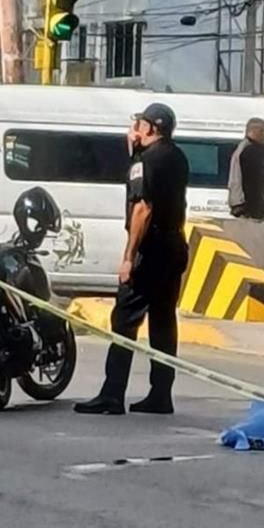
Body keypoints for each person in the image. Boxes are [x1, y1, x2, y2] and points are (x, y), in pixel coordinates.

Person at [75, 103, 191, 415]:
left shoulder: (145, 161)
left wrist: (129, 256)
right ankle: (161, 394)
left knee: (124, 320)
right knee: (163, 322)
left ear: (151, 127)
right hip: (174, 245)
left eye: (138, 125)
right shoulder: (177, 156)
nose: (133, 130)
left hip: (150, 250)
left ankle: (112, 394)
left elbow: (142, 208)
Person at [228, 117, 264, 221]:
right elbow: (252, 183)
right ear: (253, 131)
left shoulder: (244, 147)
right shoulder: (250, 151)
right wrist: (257, 211)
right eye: (263, 131)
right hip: (248, 208)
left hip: (242, 205)